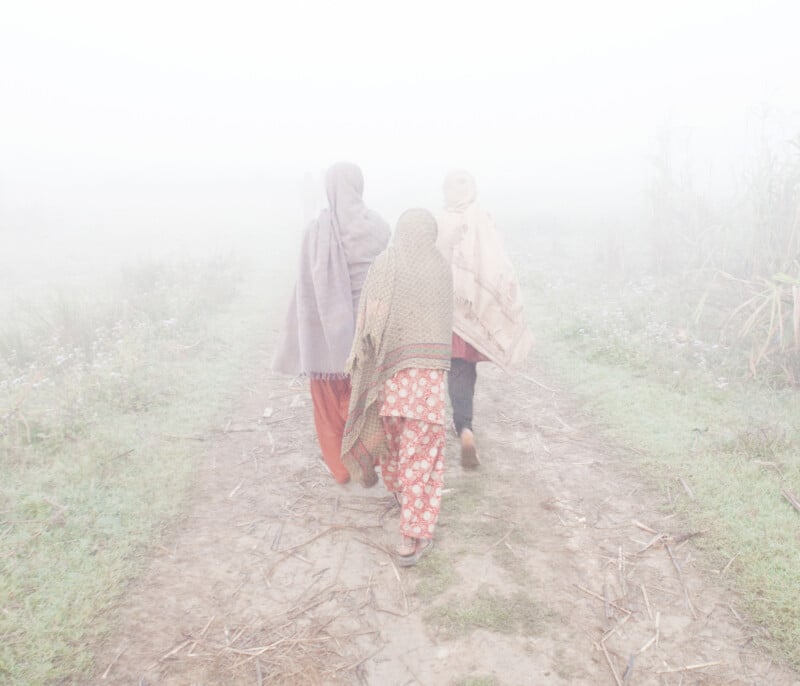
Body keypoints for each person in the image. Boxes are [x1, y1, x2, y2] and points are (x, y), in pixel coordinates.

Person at [341, 209, 453, 566]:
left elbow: (370, 319)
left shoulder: (385, 264)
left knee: (393, 448)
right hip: (427, 383)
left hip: (390, 380)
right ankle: (413, 532)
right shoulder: (441, 268)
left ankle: (406, 502)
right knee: (422, 457)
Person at [272, 163, 390, 484]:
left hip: (326, 337)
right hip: (369, 332)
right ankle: (365, 456)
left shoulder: (316, 231)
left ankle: (342, 468)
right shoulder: (378, 227)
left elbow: (306, 287)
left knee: (327, 403)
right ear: (359, 186)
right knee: (364, 398)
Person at [436, 170, 532, 468]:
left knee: (452, 368)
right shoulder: (483, 219)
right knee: (466, 368)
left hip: (447, 310)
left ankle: (457, 425)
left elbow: (432, 260)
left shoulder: (439, 220)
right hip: (474, 309)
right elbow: (498, 264)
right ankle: (465, 427)